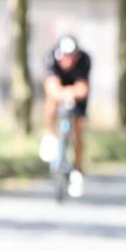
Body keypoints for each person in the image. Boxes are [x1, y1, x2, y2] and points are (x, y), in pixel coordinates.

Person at [39, 34, 91, 198]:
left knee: (79, 127)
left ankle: (77, 168)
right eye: (64, 57)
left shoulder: (84, 60)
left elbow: (83, 88)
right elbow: (51, 87)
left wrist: (73, 93)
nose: (67, 61)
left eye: (71, 58)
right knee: (51, 103)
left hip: (76, 90)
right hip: (58, 87)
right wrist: (62, 94)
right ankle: (50, 133)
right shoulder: (51, 58)